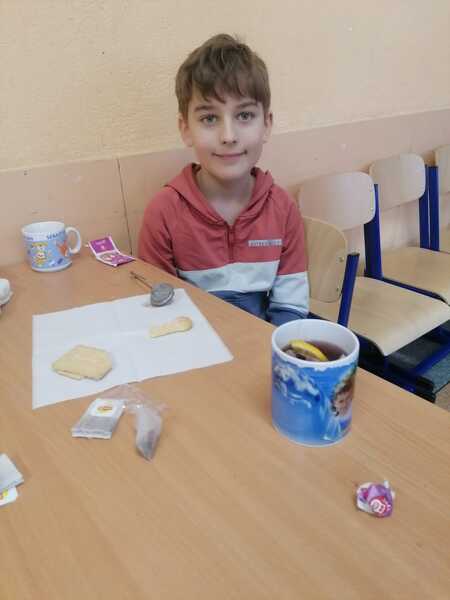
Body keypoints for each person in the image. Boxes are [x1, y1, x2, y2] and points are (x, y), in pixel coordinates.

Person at [138, 33, 309, 325]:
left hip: (263, 343)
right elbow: (160, 309)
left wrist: (266, 347)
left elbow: (289, 308)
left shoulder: (283, 209)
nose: (228, 136)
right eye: (209, 118)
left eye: (244, 115)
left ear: (266, 125)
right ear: (186, 129)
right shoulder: (163, 212)